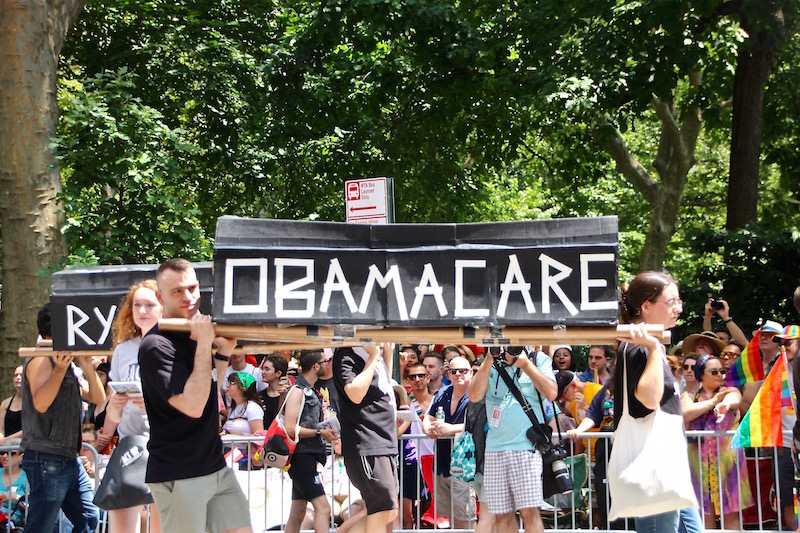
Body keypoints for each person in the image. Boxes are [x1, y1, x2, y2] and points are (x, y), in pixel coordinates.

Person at [138, 258, 252, 533]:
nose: (188, 297)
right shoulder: (155, 345)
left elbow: (208, 389)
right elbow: (193, 405)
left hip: (214, 466)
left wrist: (223, 352)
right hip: (179, 472)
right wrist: (204, 344)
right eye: (177, 291)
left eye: (192, 288)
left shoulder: (194, 334)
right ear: (160, 296)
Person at [615, 270, 701, 533]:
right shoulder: (637, 347)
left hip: (667, 463)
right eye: (671, 302)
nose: (678, 309)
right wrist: (653, 348)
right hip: (652, 465)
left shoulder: (647, 346)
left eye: (679, 302)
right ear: (646, 306)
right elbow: (648, 400)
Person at [21, 303, 104, 533]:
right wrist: (58, 370)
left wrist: (87, 366)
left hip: (69, 457)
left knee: (88, 518)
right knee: (42, 525)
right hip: (46, 457)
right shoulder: (40, 359)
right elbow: (41, 403)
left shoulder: (67, 362)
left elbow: (98, 396)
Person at [468, 345, 557, 533]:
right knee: (502, 515)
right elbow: (474, 396)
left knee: (529, 512)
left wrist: (525, 365)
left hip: (526, 447)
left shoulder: (536, 358)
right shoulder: (491, 362)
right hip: (494, 448)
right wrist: (488, 359)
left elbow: (552, 393)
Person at [102, 278, 163, 532]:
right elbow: (113, 413)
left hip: (165, 447)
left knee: (164, 524)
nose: (142, 311)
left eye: (149, 304)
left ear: (163, 307)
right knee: (121, 525)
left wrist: (152, 408)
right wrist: (115, 405)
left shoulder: (176, 347)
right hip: (131, 444)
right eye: (137, 305)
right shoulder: (123, 351)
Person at [333, 343, 398, 533]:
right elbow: (354, 393)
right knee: (382, 507)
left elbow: (383, 384)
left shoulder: (371, 353)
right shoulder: (347, 354)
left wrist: (387, 354)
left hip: (383, 440)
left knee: (389, 510)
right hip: (367, 441)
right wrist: (374, 356)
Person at [681, 354, 751, 529]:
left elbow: (735, 399)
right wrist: (713, 402)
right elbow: (685, 413)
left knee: (731, 513)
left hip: (727, 462)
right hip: (698, 463)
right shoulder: (689, 396)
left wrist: (724, 404)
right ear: (701, 375)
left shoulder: (729, 391)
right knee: (704, 515)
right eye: (714, 371)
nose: (720, 375)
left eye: (722, 371)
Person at [284, 350, 338, 533]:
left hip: (306, 457)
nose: (327, 364)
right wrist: (319, 431)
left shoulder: (308, 390)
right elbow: (290, 428)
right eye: (325, 362)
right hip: (301, 458)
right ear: (316, 366)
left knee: (298, 513)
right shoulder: (297, 391)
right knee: (323, 508)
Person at [422, 356, 476, 529]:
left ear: (471, 372)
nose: (458, 374)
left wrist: (449, 429)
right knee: (450, 517)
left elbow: (480, 425)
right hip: (442, 464)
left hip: (466, 464)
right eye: (453, 371)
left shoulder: (478, 394)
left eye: (463, 371)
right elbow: (428, 418)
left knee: (466, 517)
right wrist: (428, 429)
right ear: (448, 373)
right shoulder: (443, 392)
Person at [0, 437, 27, 528]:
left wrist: (15, 497)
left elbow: (32, 505)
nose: (4, 456)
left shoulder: (27, 477)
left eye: (11, 453)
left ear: (21, 457)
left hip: (13, 522)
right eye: (2, 452)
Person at [259, 354, 289, 427]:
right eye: (263, 369)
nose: (262, 372)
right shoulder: (259, 396)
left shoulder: (289, 395)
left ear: (278, 373)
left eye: (267, 369)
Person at [0, 366, 23, 444]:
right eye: (16, 375)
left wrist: (6, 440)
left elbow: (30, 429)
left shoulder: (34, 403)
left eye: (21, 375)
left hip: (23, 448)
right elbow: (1, 429)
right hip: (6, 449)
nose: (18, 378)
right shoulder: (5, 403)